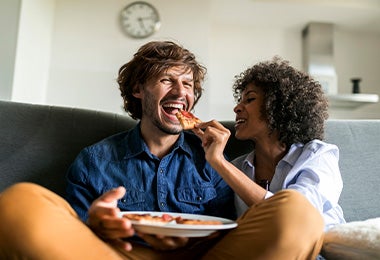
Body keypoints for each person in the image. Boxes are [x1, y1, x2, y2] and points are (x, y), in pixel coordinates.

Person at [0, 43, 324, 260]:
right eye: (167, 80)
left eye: (188, 86)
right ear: (138, 90)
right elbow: (71, 236)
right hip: (119, 255)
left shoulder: (215, 159)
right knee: (20, 203)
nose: (181, 93)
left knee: (298, 212)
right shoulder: (95, 160)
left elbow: (235, 231)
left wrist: (218, 164)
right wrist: (97, 224)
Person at [193, 56, 346, 235]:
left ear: (278, 106)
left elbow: (295, 216)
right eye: (240, 100)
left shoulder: (318, 155)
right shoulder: (237, 168)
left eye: (249, 99)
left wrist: (219, 162)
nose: (237, 108)